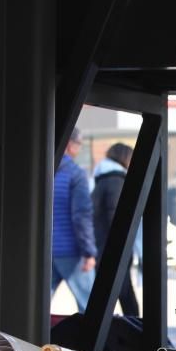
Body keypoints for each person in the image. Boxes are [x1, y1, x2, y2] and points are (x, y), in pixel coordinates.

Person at [51, 128, 97, 312]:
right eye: (79, 145)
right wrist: (89, 252)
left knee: (34, 308)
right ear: (70, 145)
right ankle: (89, 342)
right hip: (72, 251)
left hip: (45, 252)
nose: (79, 149)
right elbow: (81, 215)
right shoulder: (76, 174)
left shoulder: (42, 171)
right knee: (91, 308)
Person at [91, 142, 140, 316]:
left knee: (110, 292)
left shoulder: (102, 180)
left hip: (103, 245)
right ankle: (136, 329)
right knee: (125, 292)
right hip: (115, 248)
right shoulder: (116, 181)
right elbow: (116, 216)